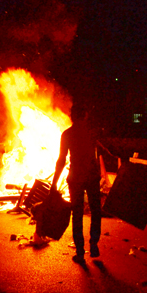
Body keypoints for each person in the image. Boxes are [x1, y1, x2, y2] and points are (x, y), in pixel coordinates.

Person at [51, 104, 101, 264]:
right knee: (95, 210)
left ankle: (80, 252)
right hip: (91, 176)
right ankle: (94, 244)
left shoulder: (67, 134)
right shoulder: (91, 133)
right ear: (85, 115)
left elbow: (61, 160)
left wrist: (54, 183)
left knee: (77, 214)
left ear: (72, 116)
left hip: (76, 177)